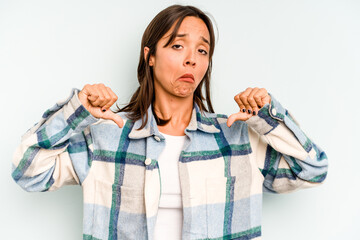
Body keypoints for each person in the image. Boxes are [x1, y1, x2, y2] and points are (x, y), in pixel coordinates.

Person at [11, 4, 328, 240]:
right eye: (178, 45)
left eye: (202, 50)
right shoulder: (106, 137)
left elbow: (312, 170)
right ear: (149, 55)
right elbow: (27, 171)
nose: (192, 58)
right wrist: (76, 111)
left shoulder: (239, 137)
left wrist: (268, 117)